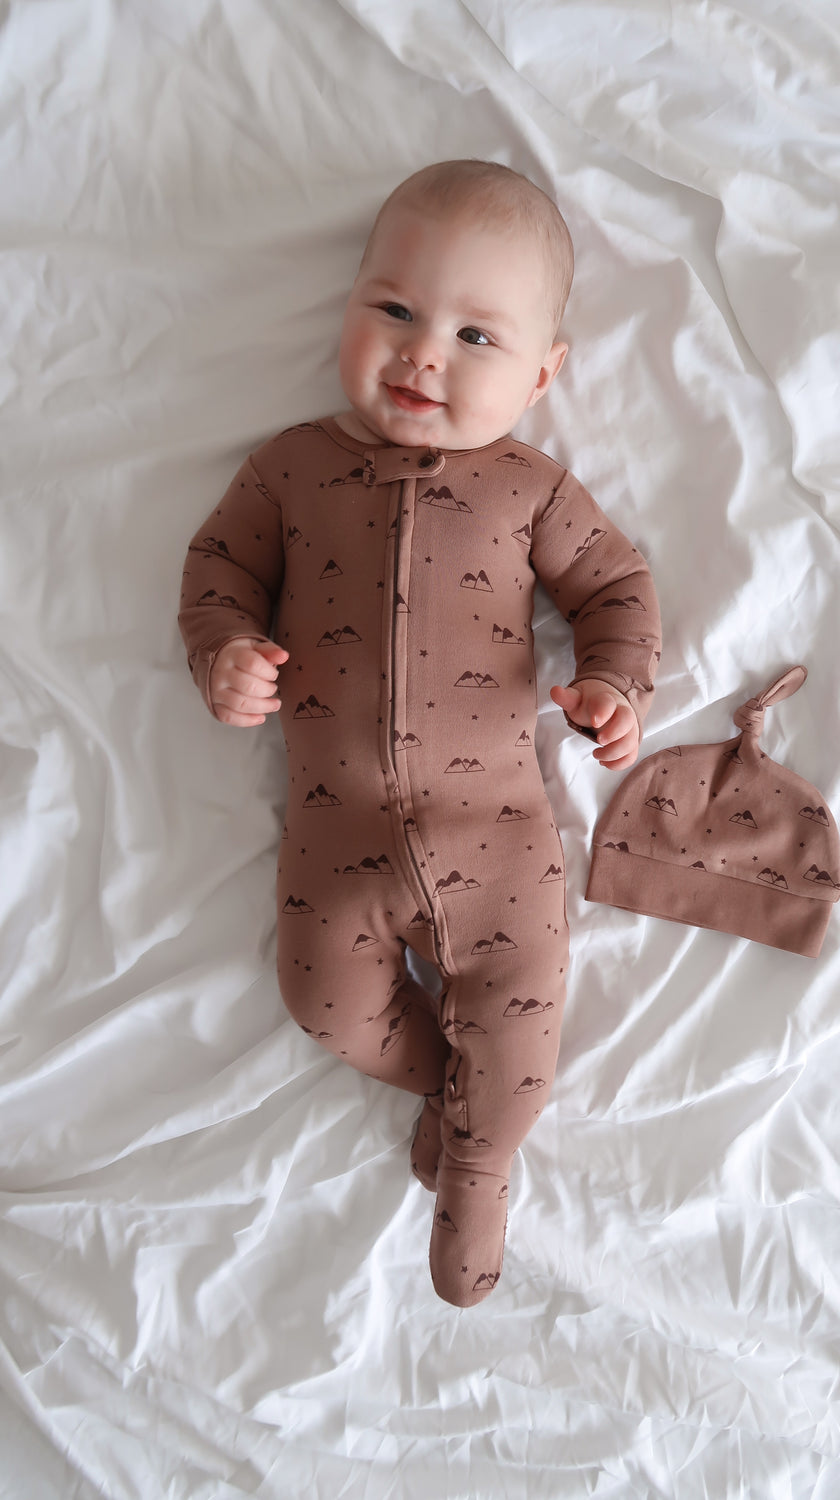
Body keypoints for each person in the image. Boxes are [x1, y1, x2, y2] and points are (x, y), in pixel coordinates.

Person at [178, 160, 661, 1306]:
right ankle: (451, 1094)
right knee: (323, 1004)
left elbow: (615, 586)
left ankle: (481, 1167)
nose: (421, 353)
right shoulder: (289, 469)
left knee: (523, 1008)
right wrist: (222, 652)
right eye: (392, 309)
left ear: (543, 374)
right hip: (333, 838)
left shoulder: (529, 489)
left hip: (496, 831)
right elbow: (216, 567)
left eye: (475, 337)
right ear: (350, 305)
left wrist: (613, 684)